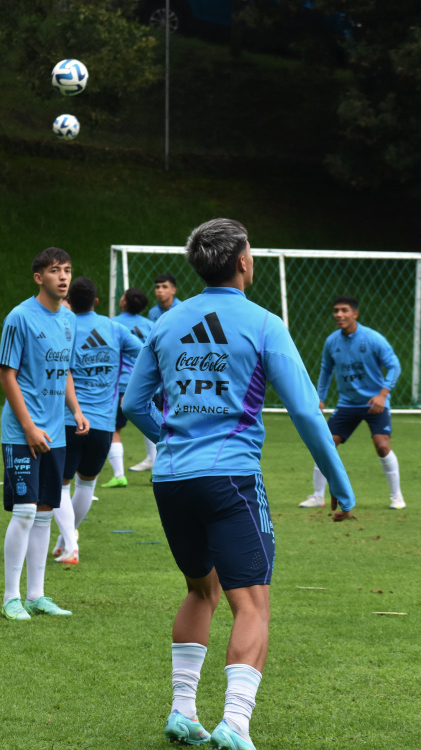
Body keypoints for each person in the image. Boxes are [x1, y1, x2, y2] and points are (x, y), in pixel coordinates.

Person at [123, 218, 354, 750]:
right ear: (244, 261)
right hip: (230, 478)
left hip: (172, 479)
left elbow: (134, 403)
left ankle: (183, 711)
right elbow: (305, 411)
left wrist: (175, 440)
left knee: (199, 588)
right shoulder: (264, 323)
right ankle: (235, 722)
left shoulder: (166, 323)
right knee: (251, 604)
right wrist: (341, 486)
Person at [0, 247, 89, 621]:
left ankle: (36, 595)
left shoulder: (69, 320)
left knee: (44, 513)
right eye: (55, 271)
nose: (63, 277)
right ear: (39, 277)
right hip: (23, 432)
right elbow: (7, 375)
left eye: (67, 270)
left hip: (55, 432)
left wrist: (76, 409)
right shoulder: (19, 318)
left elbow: (65, 370)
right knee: (23, 510)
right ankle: (10, 598)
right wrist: (28, 426)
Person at [50, 277, 141, 565]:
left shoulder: (64, 327)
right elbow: (144, 353)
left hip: (69, 418)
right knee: (86, 485)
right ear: (97, 302)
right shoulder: (115, 329)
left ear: (68, 301)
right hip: (103, 422)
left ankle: (71, 546)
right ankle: (66, 540)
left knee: (60, 486)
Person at [300, 296, 403, 510]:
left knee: (382, 446)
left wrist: (383, 394)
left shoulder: (373, 338)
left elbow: (394, 366)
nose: (339, 314)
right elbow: (326, 370)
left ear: (355, 314)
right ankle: (318, 496)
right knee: (325, 444)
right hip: (347, 404)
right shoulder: (332, 341)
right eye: (336, 310)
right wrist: (320, 398)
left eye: (344, 310)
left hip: (375, 403)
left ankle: (397, 497)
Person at [101, 287, 156, 485]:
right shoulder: (151, 325)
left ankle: (119, 476)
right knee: (152, 425)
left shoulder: (112, 324)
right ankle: (158, 468)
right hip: (151, 384)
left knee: (114, 428)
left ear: (124, 302)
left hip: (122, 384)